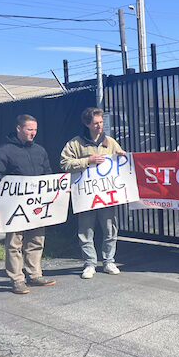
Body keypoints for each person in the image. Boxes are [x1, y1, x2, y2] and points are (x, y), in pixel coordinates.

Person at [0, 114, 56, 294]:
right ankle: (17, 279)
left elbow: (48, 176)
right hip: (14, 208)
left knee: (36, 240)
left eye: (35, 130)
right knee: (14, 244)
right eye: (29, 129)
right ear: (19, 129)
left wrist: (58, 192)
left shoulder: (40, 150)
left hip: (36, 207)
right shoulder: (3, 151)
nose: (33, 133)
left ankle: (34, 274)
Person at [60, 107, 126, 279]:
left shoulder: (110, 142)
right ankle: (89, 263)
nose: (99, 126)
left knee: (110, 228)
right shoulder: (75, 143)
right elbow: (64, 163)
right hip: (86, 195)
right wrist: (87, 160)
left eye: (101, 122)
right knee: (85, 230)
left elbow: (120, 160)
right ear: (86, 123)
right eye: (95, 123)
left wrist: (122, 157)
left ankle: (109, 261)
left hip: (106, 195)